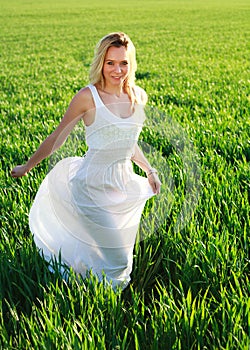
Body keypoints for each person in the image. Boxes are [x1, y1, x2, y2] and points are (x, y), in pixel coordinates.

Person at [11, 32, 161, 290]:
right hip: (92, 185)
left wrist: (149, 169)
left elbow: (129, 142)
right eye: (110, 62)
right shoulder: (87, 97)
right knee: (118, 260)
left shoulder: (138, 96)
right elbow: (57, 138)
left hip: (122, 183)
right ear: (100, 63)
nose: (117, 69)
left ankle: (90, 292)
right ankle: (108, 306)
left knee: (104, 252)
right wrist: (28, 166)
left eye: (123, 62)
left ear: (131, 64)